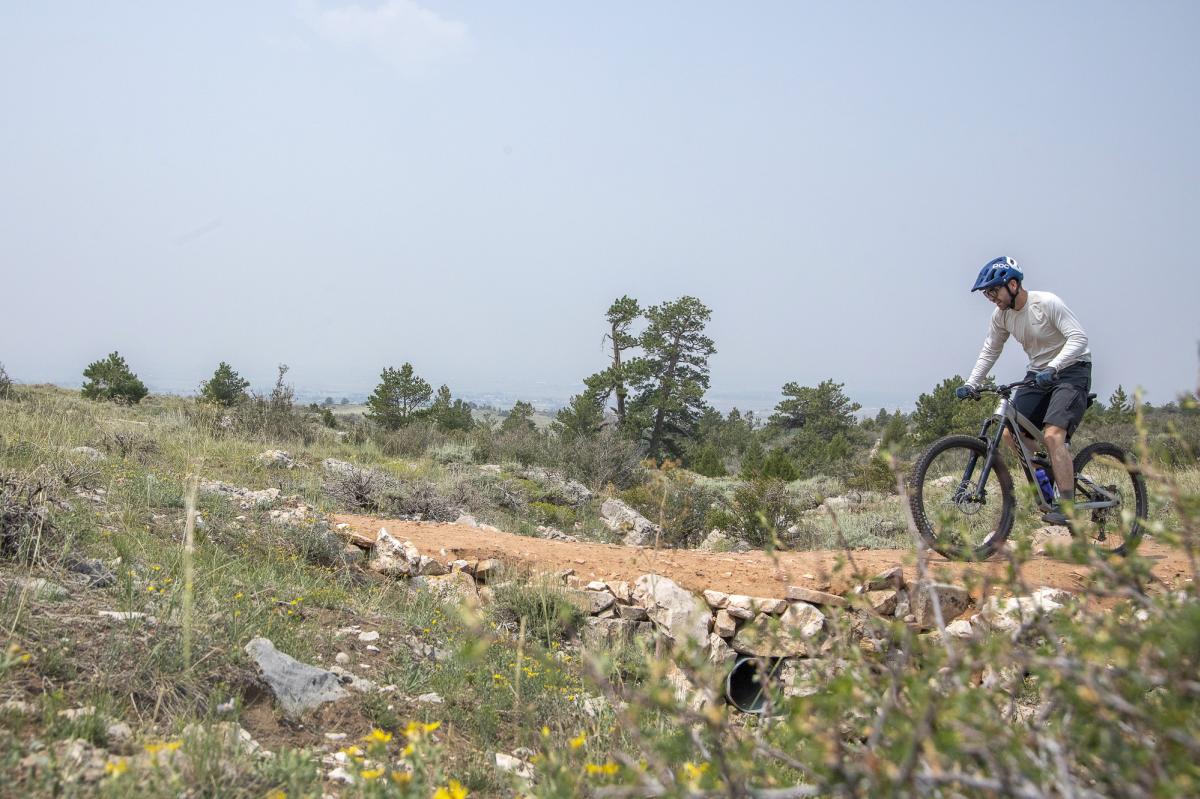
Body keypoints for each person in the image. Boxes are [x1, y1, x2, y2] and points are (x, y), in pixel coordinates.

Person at [955, 256, 1092, 525]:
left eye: (993, 290)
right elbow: (990, 350)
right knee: (1009, 432)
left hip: (1072, 370)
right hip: (1039, 373)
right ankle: (1044, 476)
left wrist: (1054, 367)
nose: (990, 297)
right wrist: (972, 383)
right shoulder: (1001, 316)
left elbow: (1079, 338)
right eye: (987, 293)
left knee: (1053, 436)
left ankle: (1067, 506)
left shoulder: (1046, 303)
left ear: (1013, 284)